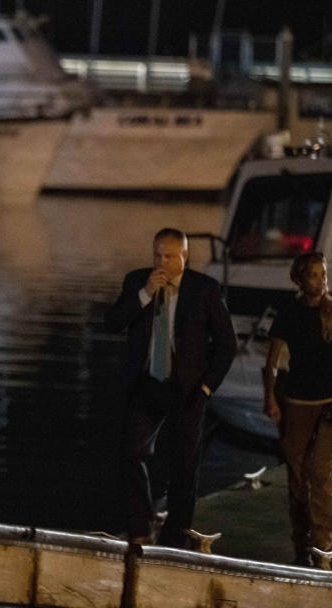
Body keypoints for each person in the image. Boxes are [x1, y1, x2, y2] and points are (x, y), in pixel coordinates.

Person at [104, 228, 237, 547]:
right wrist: (145, 294)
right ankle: (140, 524)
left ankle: (177, 532)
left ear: (184, 257)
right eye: (156, 256)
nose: (161, 263)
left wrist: (206, 389)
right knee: (132, 451)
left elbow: (226, 345)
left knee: (184, 464)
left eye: (169, 257)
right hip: (147, 383)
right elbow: (112, 323)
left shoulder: (204, 289)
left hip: (188, 388)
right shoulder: (137, 281)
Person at [262, 252, 332, 569]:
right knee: (298, 480)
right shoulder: (289, 313)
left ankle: (322, 548)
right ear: (300, 279)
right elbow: (271, 362)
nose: (321, 279)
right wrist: (269, 398)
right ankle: (302, 545)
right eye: (314, 274)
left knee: (322, 473)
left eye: (323, 274)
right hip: (298, 405)